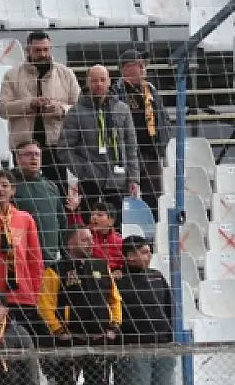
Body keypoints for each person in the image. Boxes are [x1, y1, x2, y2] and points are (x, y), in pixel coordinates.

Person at [39, 226, 122, 385]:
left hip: (98, 342)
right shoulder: (56, 269)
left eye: (91, 239)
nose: (90, 242)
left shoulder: (102, 266)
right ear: (71, 244)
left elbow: (115, 299)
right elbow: (45, 305)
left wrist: (114, 326)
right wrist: (59, 330)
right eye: (84, 239)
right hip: (71, 343)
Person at [58, 64, 139, 222]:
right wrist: (84, 170)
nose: (99, 84)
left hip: (117, 179)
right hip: (90, 181)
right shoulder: (76, 112)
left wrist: (133, 178)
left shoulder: (122, 109)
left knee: (116, 227)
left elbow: (131, 146)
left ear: (109, 82)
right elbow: (64, 148)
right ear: (88, 83)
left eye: (102, 80)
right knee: (90, 225)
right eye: (94, 80)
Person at [0, 31, 79, 182]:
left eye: (46, 49)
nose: (42, 54)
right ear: (28, 50)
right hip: (23, 146)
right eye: (37, 50)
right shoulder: (12, 75)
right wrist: (30, 103)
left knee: (57, 192)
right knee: (23, 192)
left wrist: (59, 109)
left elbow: (78, 108)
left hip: (56, 145)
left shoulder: (66, 74)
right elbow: (2, 109)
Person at [0, 169, 45, 336]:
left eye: (5, 185)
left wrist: (34, 292)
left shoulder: (25, 219)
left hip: (23, 295)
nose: (0, 189)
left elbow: (35, 259)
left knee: (24, 341)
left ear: (13, 190)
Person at [116, 235, 177, 385]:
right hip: (135, 349)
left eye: (149, 252)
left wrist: (171, 339)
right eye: (143, 252)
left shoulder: (157, 276)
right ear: (129, 256)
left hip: (163, 346)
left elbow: (170, 309)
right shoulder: (118, 280)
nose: (149, 255)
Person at [113, 50, 169, 205]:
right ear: (125, 68)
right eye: (138, 64)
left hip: (151, 153)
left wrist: (161, 143)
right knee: (127, 197)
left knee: (154, 197)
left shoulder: (150, 89)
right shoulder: (116, 91)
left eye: (143, 64)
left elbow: (163, 118)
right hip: (128, 155)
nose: (143, 67)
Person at [11, 141, 68, 263]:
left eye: (37, 155)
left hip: (50, 260)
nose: (34, 158)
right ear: (17, 158)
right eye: (28, 154)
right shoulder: (8, 185)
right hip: (21, 259)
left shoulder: (51, 186)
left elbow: (62, 222)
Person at [87, 202, 125, 271]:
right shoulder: (86, 236)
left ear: (111, 221)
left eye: (100, 215)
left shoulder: (120, 241)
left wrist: (120, 270)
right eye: (92, 214)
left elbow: (124, 264)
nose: (94, 217)